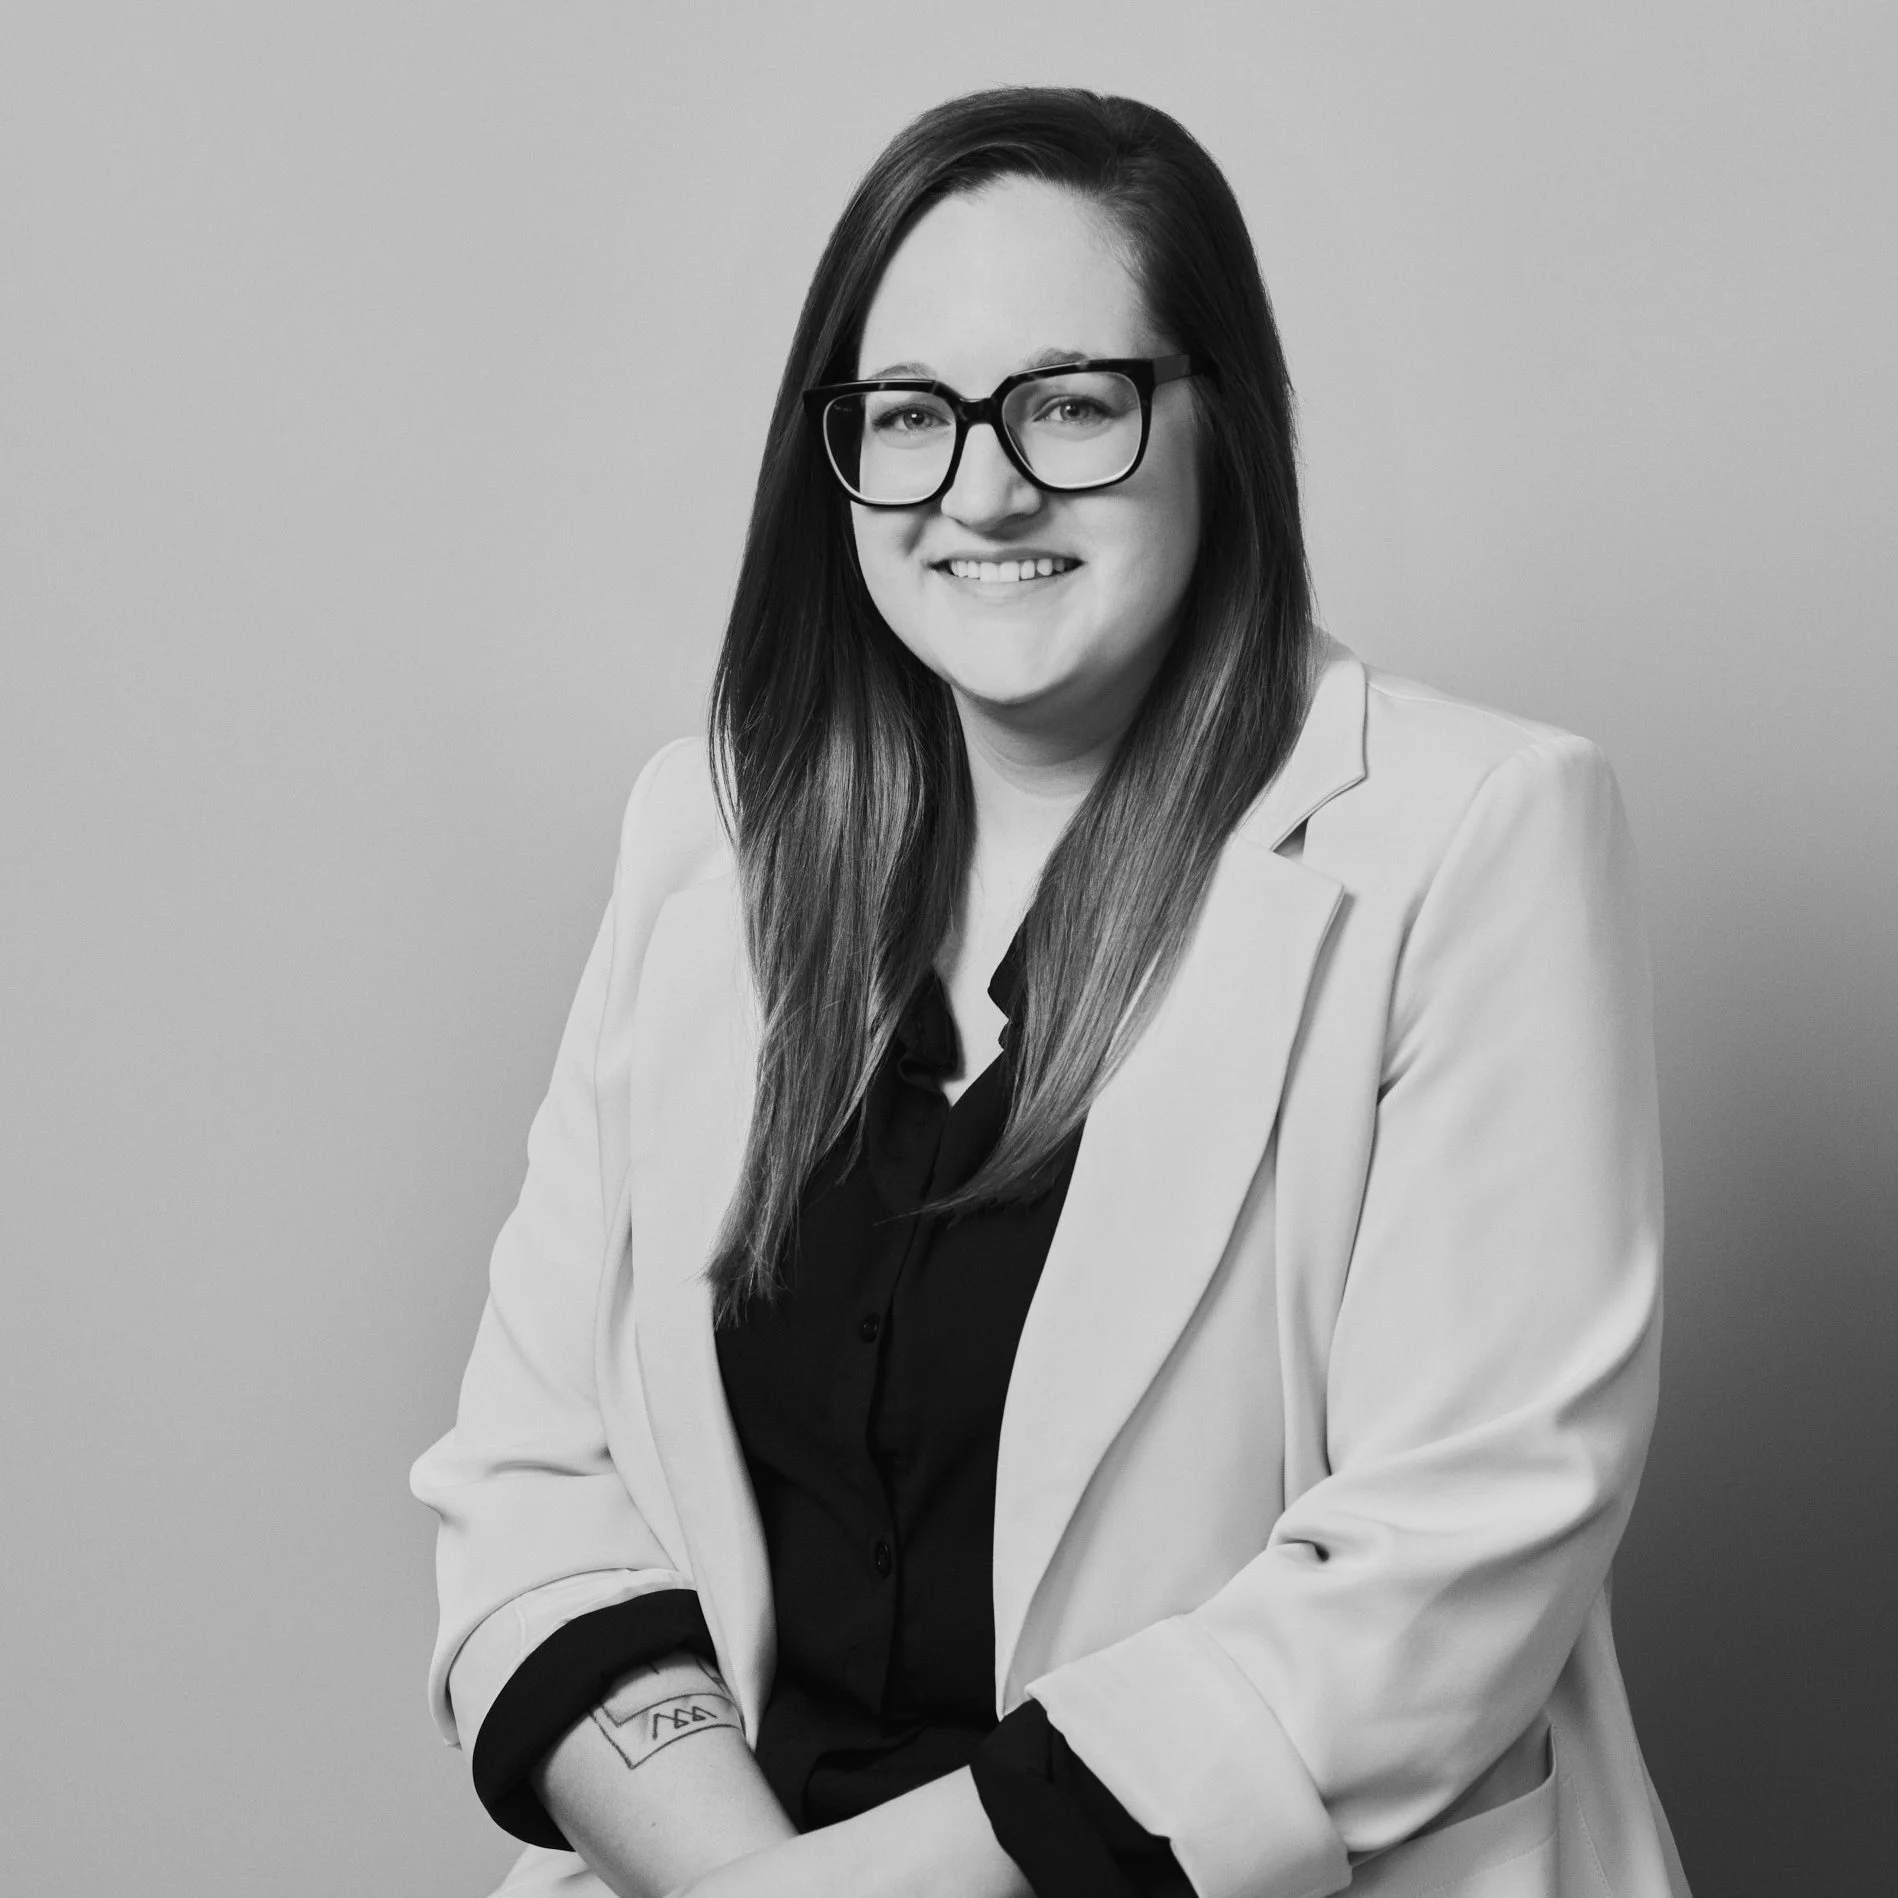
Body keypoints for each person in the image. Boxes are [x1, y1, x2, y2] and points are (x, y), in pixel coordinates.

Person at [411, 87, 1690, 1898]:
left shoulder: (1471, 834)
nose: (983, 486)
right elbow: (530, 1484)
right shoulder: (702, 834)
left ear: (1216, 426)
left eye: (1072, 403)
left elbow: (1441, 1577)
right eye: (912, 416)